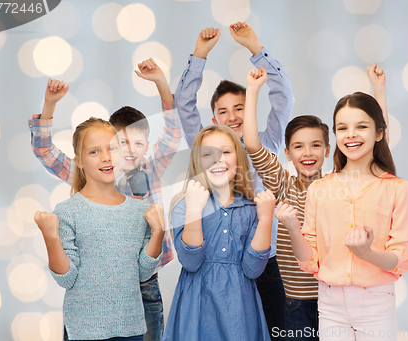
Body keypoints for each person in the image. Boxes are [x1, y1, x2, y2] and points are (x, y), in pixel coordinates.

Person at [28, 58, 180, 341]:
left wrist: (161, 84)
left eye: (137, 143)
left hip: (143, 282)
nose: (128, 151)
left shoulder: (150, 168)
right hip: (92, 293)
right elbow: (46, 151)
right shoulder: (91, 174)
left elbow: (172, 136)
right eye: (119, 143)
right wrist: (49, 106)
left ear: (146, 146)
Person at [244, 64, 389, 340]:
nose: (307, 153)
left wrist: (378, 90)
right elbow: (251, 144)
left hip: (335, 298)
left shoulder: (339, 183)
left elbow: (377, 144)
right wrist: (253, 91)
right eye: (298, 146)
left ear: (327, 149)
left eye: (315, 145)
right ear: (287, 152)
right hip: (295, 302)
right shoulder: (282, 184)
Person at [174, 22, 294, 337]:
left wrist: (256, 49)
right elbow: (184, 107)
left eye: (240, 107)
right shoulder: (208, 148)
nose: (232, 116)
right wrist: (199, 55)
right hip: (213, 263)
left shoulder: (265, 144)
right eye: (223, 112)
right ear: (213, 120)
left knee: (273, 330)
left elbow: (283, 99)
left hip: (262, 260)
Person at [275, 91, 408, 341]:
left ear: (379, 133)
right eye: (342, 128)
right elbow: (311, 260)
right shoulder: (319, 189)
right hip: (330, 305)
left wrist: (367, 253)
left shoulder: (398, 189)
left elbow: (400, 260)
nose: (350, 134)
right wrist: (293, 228)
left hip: (376, 303)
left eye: (361, 126)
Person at [34, 117, 164, 341]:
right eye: (94, 152)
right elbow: (66, 278)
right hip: (83, 331)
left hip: (131, 329)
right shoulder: (68, 211)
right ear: (80, 162)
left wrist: (159, 232)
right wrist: (51, 237)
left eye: (112, 148)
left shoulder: (138, 211)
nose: (106, 157)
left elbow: (143, 273)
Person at [163, 125, 275, 341]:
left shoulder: (252, 208)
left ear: (238, 157)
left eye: (225, 152)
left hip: (239, 310)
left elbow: (253, 269)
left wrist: (266, 219)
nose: (218, 159)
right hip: (197, 306)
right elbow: (191, 262)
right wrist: (194, 209)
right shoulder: (184, 204)